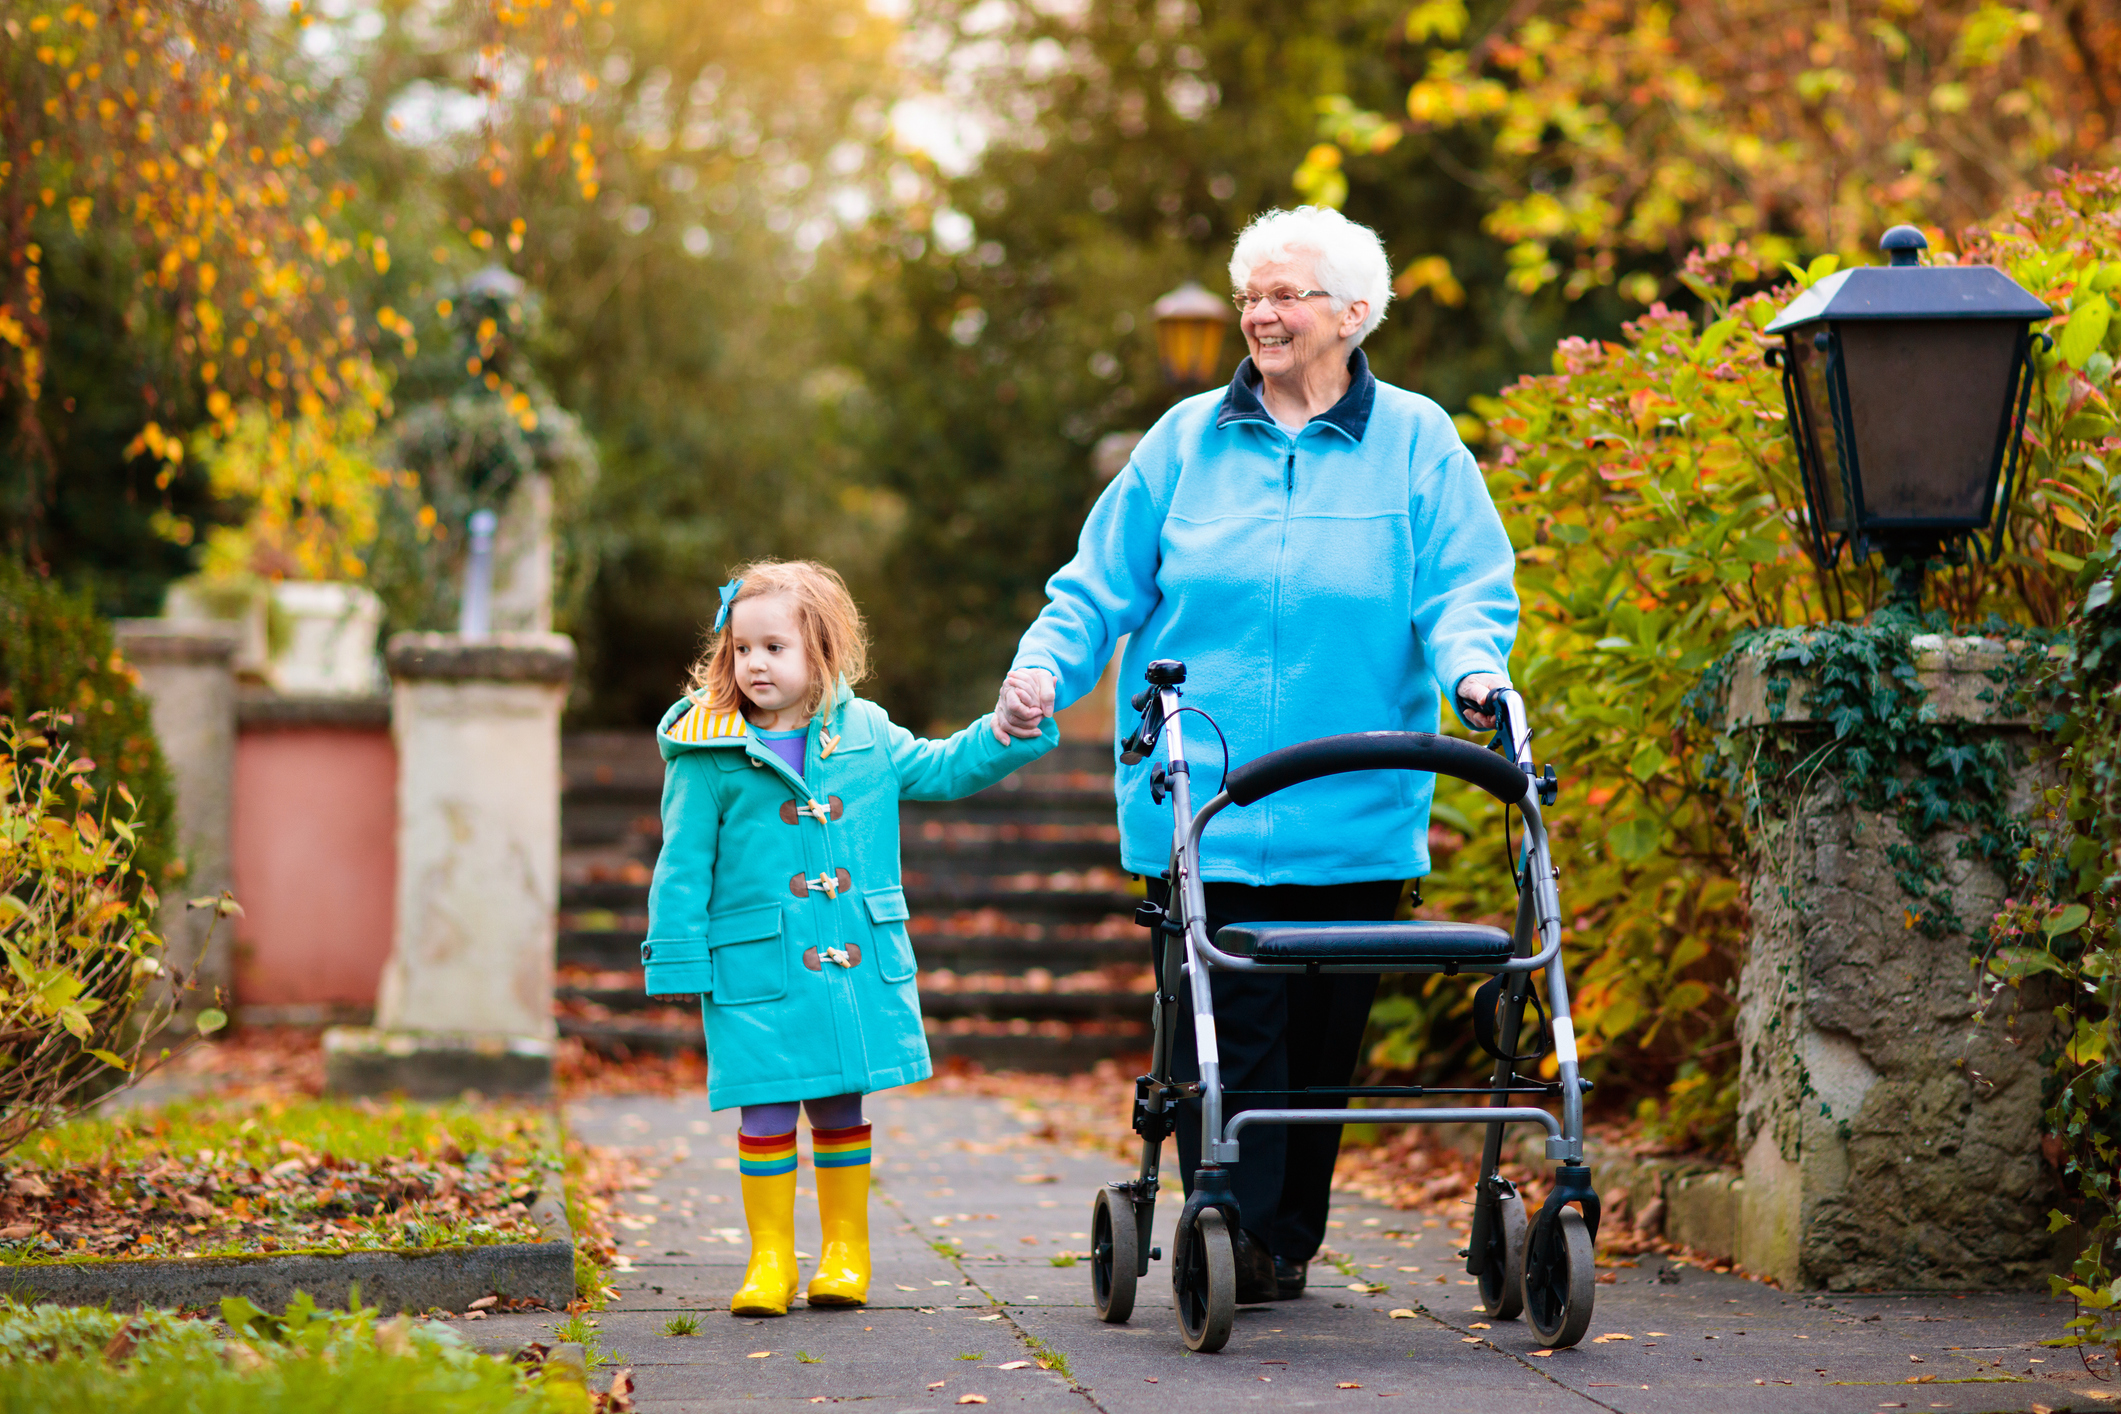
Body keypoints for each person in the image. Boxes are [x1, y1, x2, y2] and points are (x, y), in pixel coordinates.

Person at [994, 206, 1518, 1305]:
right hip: (1202, 797)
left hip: (1356, 799)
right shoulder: (1183, 442)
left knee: (1320, 1055)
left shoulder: (1418, 440)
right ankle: (1231, 1223)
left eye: (1286, 295)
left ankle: (1278, 1236)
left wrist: (1475, 673)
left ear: (1354, 313)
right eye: (1251, 295)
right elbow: (1096, 587)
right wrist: (1045, 667)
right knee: (1223, 1028)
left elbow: (1465, 587)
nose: (1261, 314)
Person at [644, 559, 1055, 1316]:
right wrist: (677, 951)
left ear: (822, 650)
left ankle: (844, 1252)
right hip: (755, 965)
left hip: (847, 964)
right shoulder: (707, 751)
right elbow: (682, 863)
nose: (755, 664)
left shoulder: (865, 732)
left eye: (775, 647)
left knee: (838, 1107)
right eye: (742, 649)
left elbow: (942, 768)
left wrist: (1004, 731)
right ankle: (770, 1260)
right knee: (764, 1110)